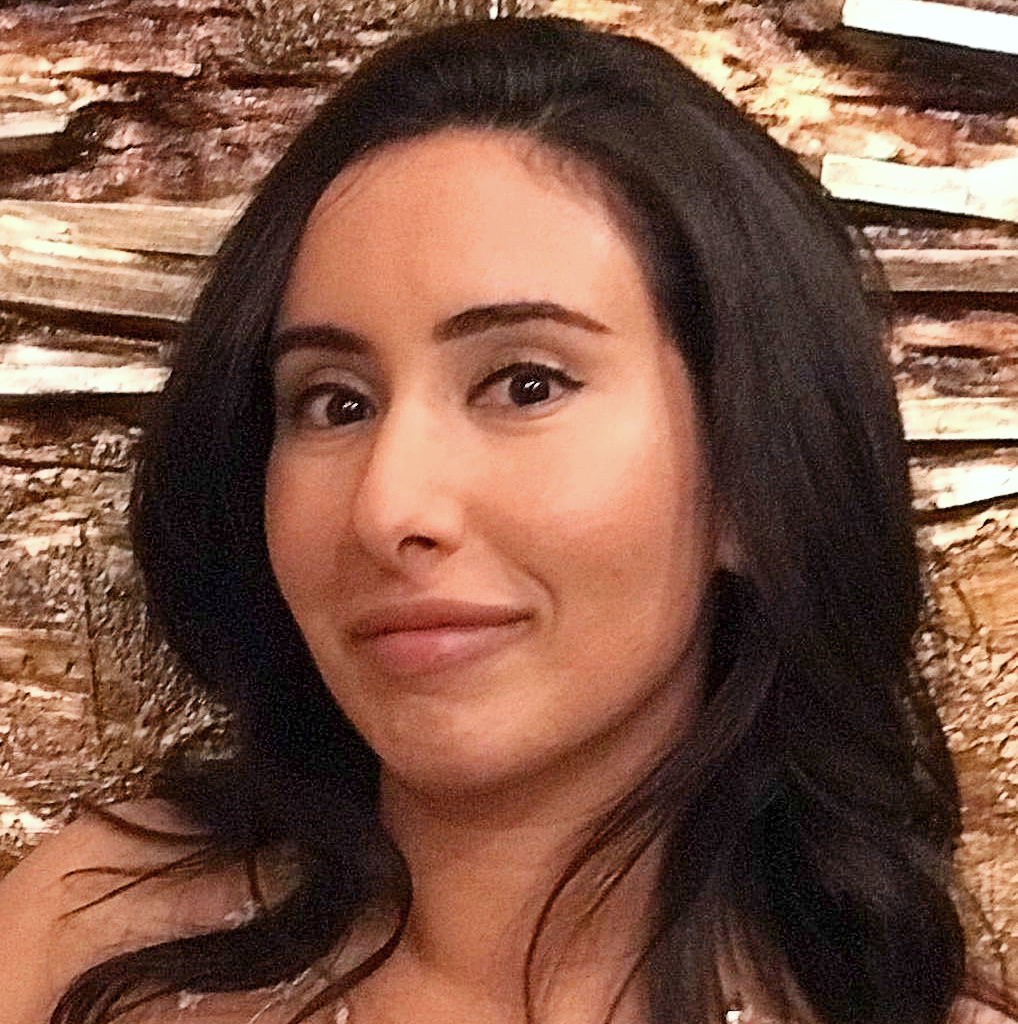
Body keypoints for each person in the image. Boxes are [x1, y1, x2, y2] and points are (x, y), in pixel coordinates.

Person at [0, 14, 1011, 1024]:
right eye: (335, 403)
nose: (389, 506)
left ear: (752, 474)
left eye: (526, 384)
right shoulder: (92, 939)